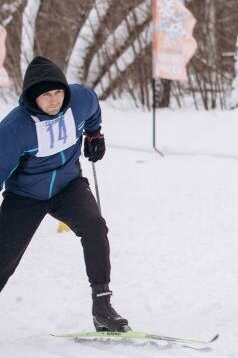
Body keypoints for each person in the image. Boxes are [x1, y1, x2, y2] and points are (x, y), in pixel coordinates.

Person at [0, 56, 128, 331]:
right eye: (46, 95)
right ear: (33, 98)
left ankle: (102, 306)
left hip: (68, 186)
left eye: (58, 92)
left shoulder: (79, 101)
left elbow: (93, 107)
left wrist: (95, 135)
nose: (54, 100)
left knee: (95, 226)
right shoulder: (15, 128)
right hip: (25, 196)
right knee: (3, 259)